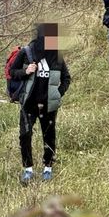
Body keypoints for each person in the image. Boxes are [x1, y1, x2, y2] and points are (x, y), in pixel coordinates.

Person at [9, 22, 71, 184]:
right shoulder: (27, 52)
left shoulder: (57, 55)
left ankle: (47, 168)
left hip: (48, 104)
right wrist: (26, 71)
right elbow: (12, 72)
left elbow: (66, 78)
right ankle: (28, 169)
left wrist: (58, 93)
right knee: (25, 135)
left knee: (49, 135)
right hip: (29, 103)